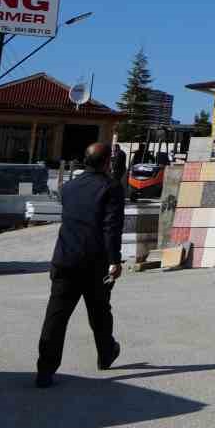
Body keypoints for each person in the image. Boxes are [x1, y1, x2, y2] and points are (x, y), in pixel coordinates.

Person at [35, 141, 123, 388]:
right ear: (108, 162)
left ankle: (45, 370)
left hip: (65, 259)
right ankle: (106, 354)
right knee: (100, 312)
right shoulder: (111, 188)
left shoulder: (68, 188)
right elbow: (111, 228)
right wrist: (114, 260)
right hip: (95, 263)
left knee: (56, 316)